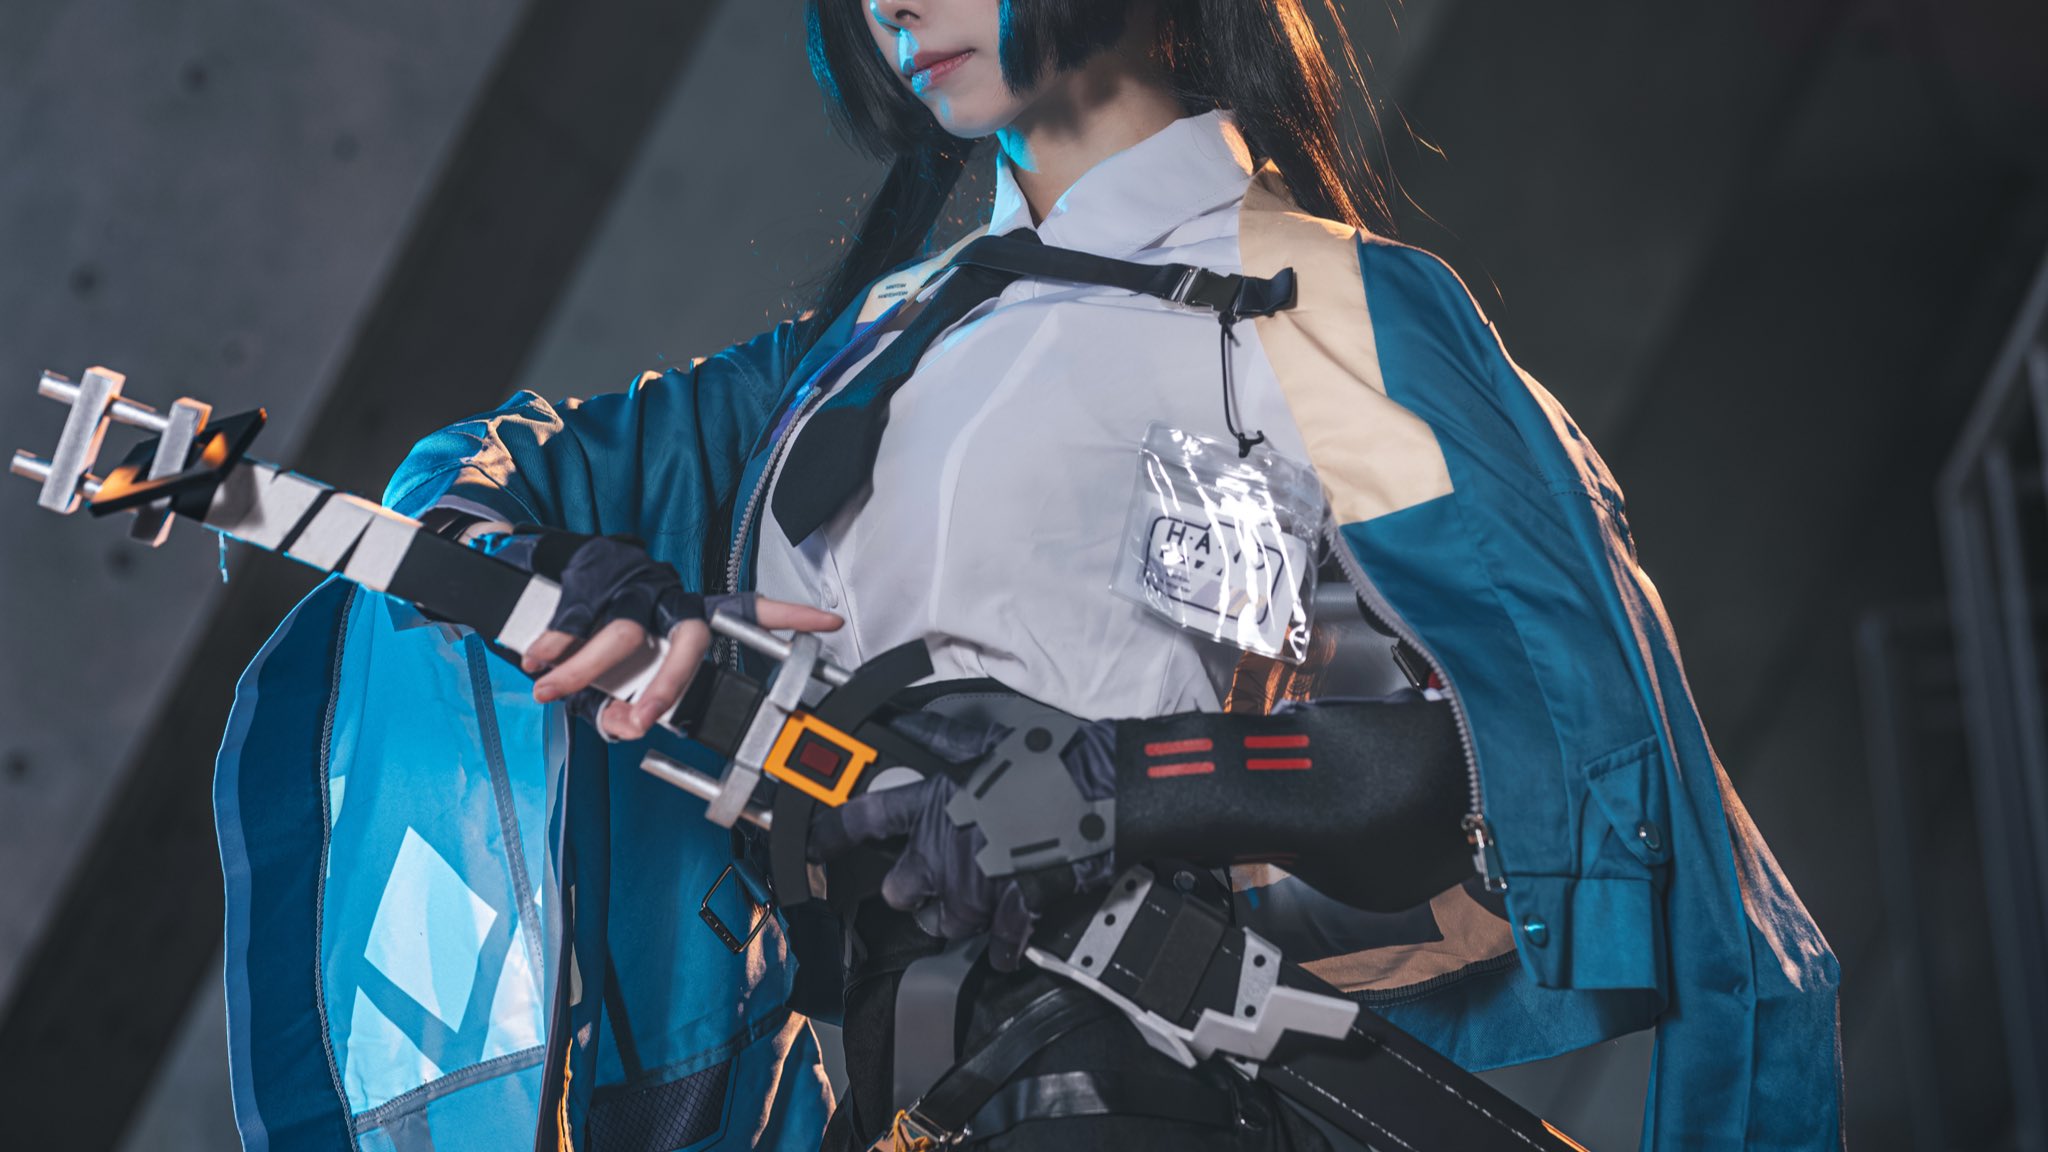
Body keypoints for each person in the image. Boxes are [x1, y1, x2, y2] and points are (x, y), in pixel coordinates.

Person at [215, 1, 1844, 1149]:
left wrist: (1123, 784)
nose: (889, 3)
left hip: (1143, 1086)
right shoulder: (853, 357)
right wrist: (579, 568)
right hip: (876, 1095)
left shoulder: (1325, 306)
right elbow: (464, 490)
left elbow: (1565, 761)